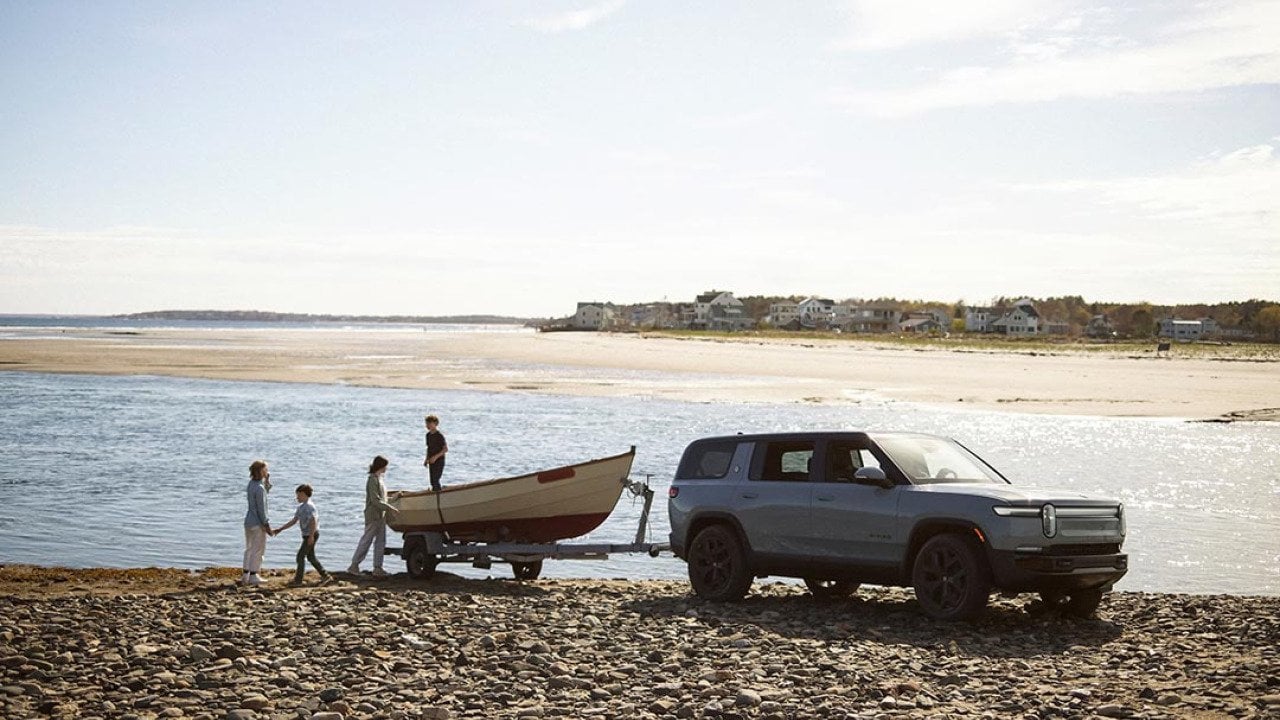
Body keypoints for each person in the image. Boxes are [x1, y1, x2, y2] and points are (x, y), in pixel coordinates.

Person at [348, 455, 398, 578]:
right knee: (366, 540)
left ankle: (378, 568)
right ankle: (354, 566)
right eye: (385, 466)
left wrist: (395, 498)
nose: (386, 468)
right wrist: (390, 508)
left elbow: (383, 499)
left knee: (380, 542)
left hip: (381, 516)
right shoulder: (372, 480)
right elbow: (375, 500)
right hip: (373, 515)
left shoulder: (379, 479)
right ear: (380, 466)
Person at [272, 484, 331, 586]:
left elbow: (313, 521)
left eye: (298, 495)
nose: (297, 497)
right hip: (306, 535)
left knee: (300, 557)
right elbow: (294, 521)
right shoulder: (300, 507)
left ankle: (298, 580)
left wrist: (311, 536)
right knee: (311, 557)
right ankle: (325, 575)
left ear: (304, 494)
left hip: (312, 534)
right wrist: (280, 529)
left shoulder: (309, 506)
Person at [242, 460, 272, 587]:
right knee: (258, 549)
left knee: (249, 548)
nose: (267, 472)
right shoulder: (259, 488)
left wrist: (267, 482)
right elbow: (262, 508)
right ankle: (254, 574)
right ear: (261, 471)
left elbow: (263, 493)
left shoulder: (251, 484)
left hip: (248, 521)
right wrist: (267, 525)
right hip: (257, 523)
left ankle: (246, 575)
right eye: (265, 470)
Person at [423, 414, 448, 491]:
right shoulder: (428, 435)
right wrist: (426, 459)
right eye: (427, 423)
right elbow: (429, 448)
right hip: (431, 460)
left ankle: (438, 495)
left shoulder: (439, 435)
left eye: (430, 424)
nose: (428, 426)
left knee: (436, 479)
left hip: (439, 460)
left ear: (435, 424)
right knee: (432, 480)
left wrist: (435, 457)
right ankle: (435, 493)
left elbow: (445, 449)